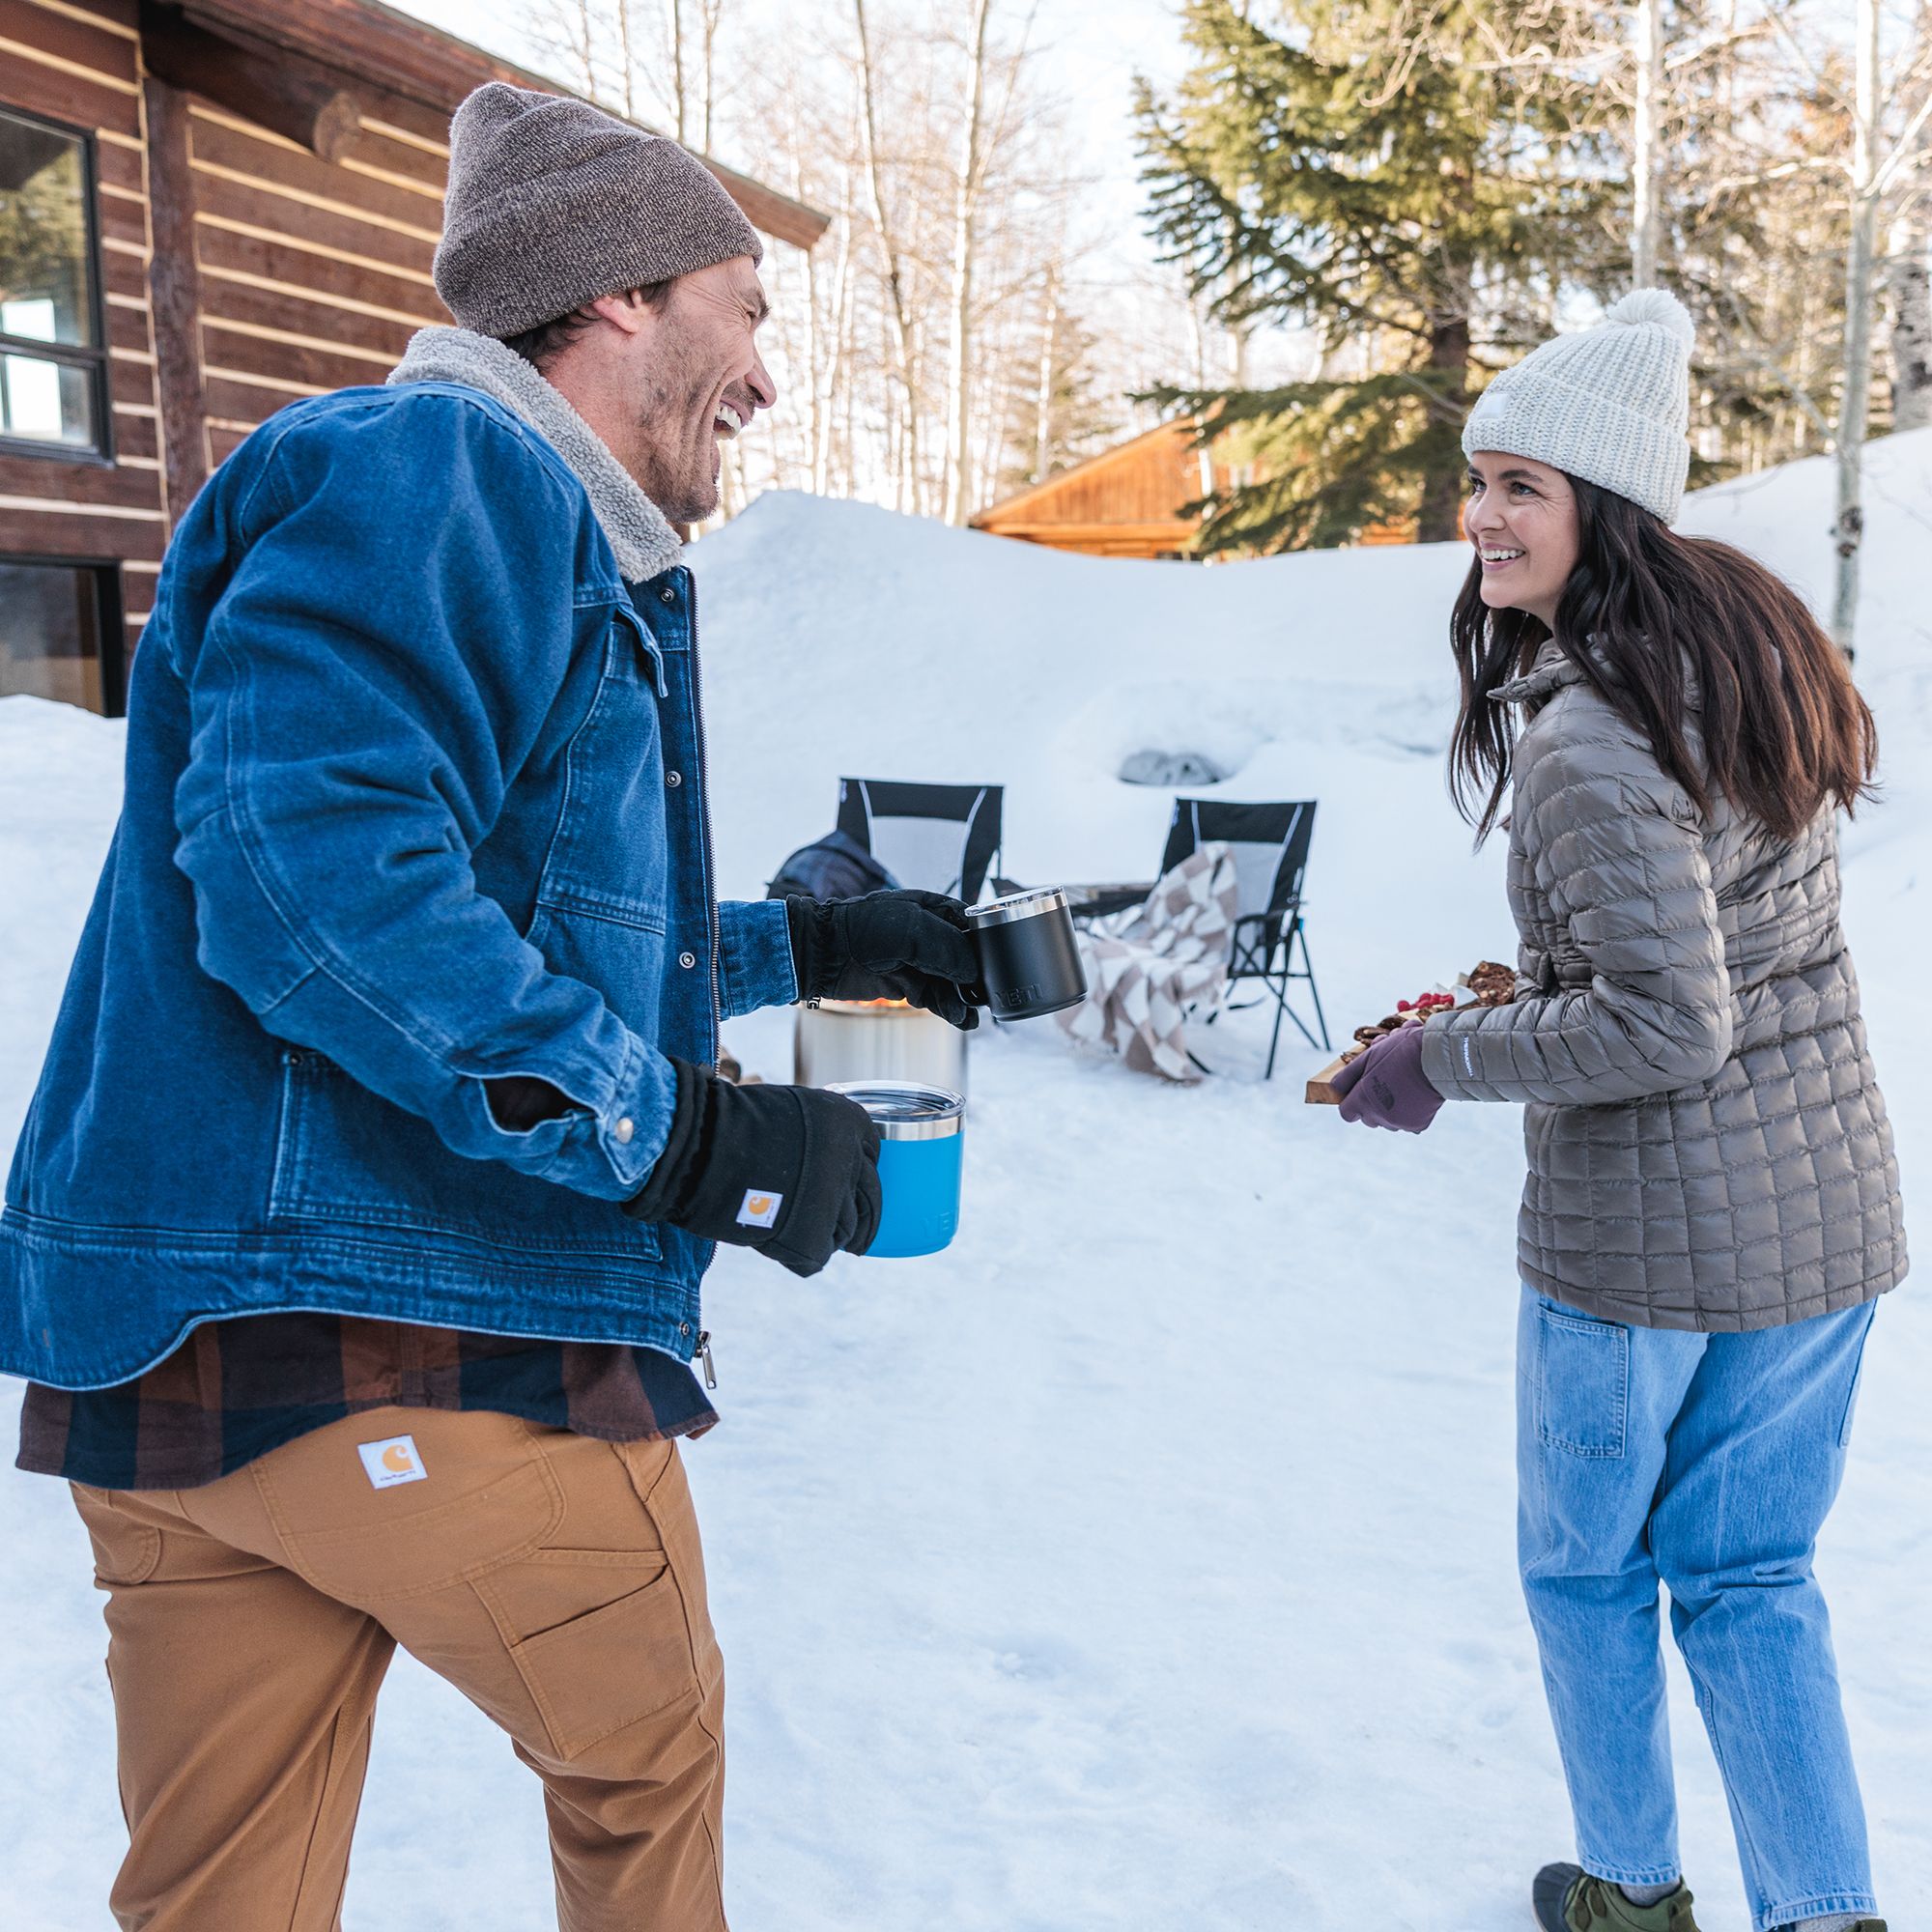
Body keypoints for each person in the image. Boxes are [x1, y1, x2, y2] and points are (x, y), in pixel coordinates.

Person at [0, 83, 982, 1931]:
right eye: (746, 307)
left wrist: (814, 952)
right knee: (647, 1780)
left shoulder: (484, 516)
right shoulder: (445, 472)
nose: (764, 373)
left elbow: (495, 913)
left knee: (225, 1904)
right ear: (618, 296)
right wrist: (675, 1131)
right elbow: (312, 870)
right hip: (412, 1346)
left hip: (185, 1393)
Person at [1333, 290, 1905, 1932]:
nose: (1484, 518)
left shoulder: (1590, 729)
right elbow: (1709, 954)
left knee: (1591, 1574)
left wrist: (1435, 1058)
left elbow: (1665, 1021)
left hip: (1648, 1250)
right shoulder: (1751, 643)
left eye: (1522, 486)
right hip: (1824, 1221)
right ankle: (1825, 1913)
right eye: (1477, 481)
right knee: (1754, 1582)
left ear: (1607, 505)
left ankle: (1635, 1899)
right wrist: (1525, 997)